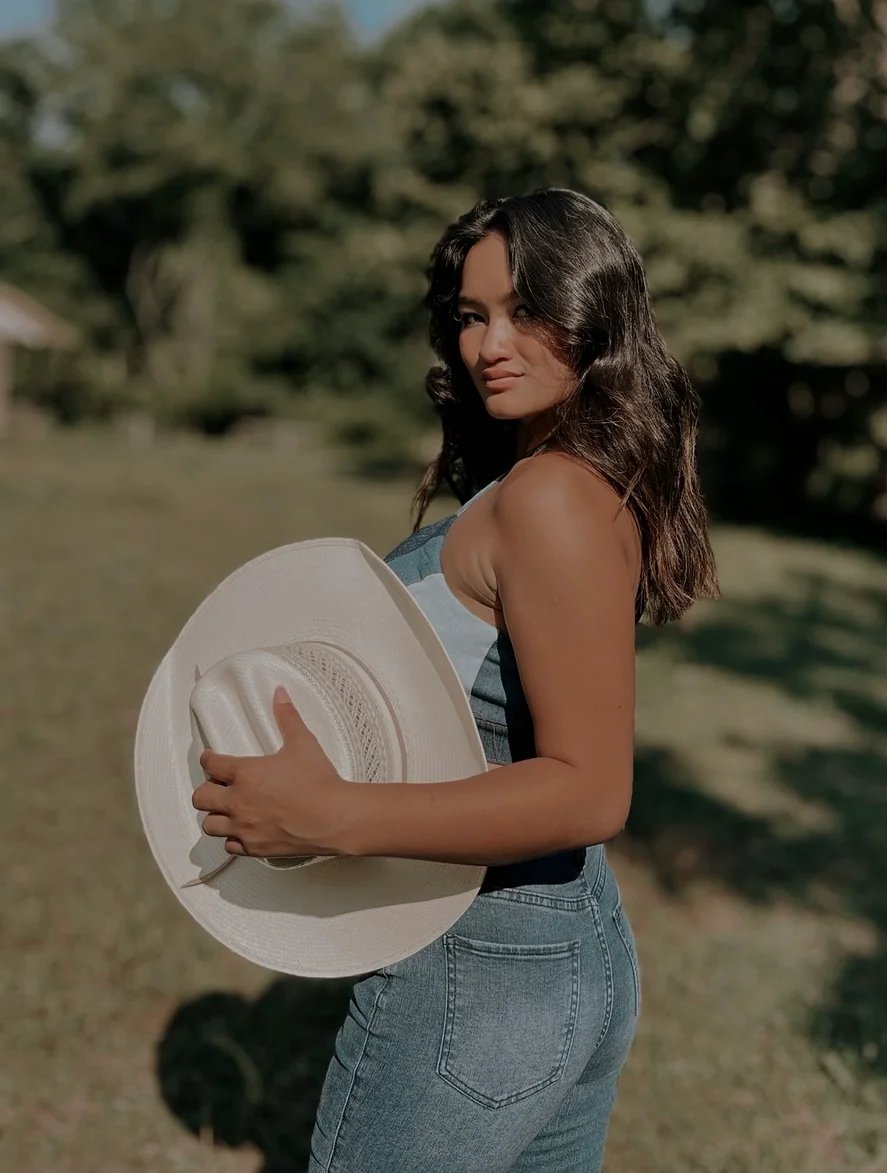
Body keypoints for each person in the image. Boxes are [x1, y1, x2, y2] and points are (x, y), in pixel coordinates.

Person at [192, 187, 719, 1171]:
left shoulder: (555, 498)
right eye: (472, 316)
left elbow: (589, 787)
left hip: (480, 963)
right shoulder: (548, 479)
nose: (489, 345)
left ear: (592, 312)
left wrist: (329, 816)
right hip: (552, 948)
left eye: (524, 310)